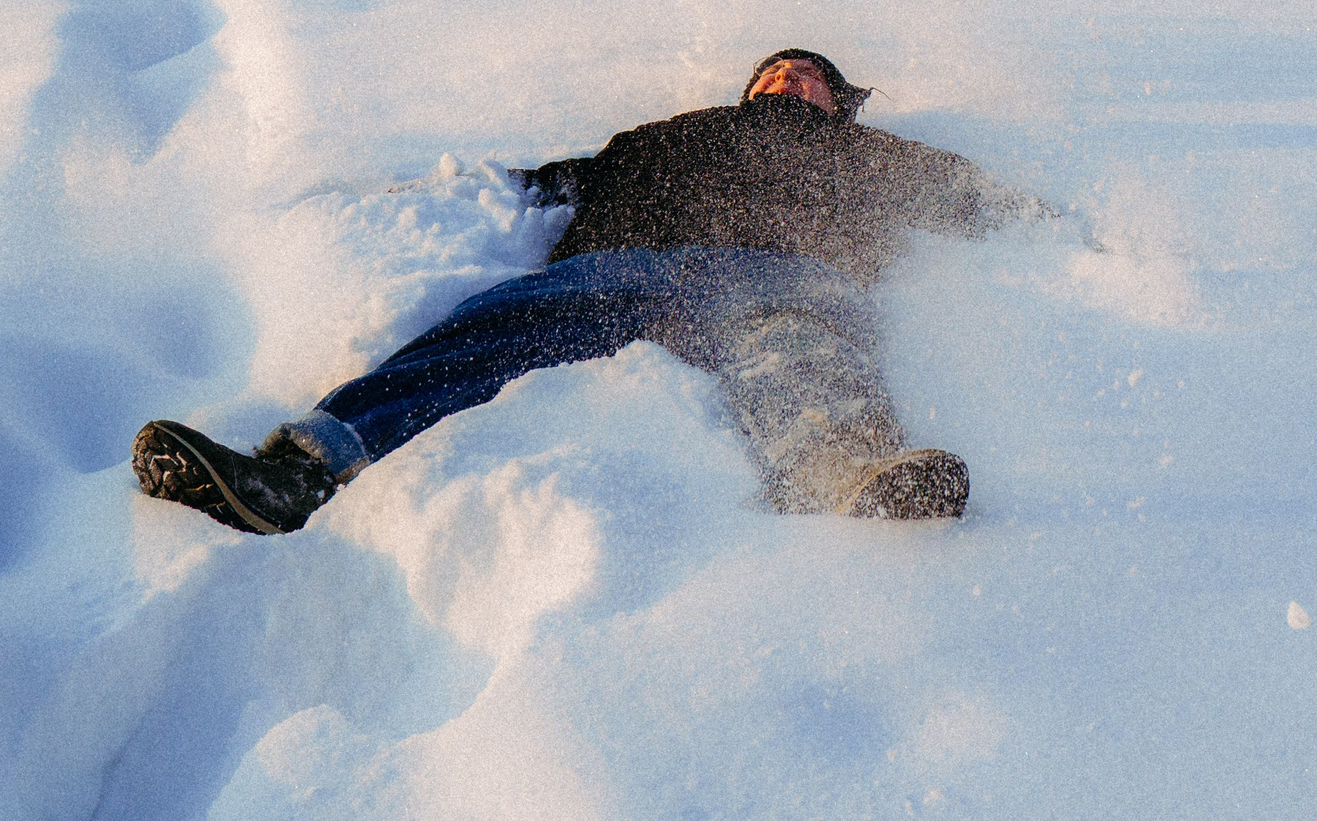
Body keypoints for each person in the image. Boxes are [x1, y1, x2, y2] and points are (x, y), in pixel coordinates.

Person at [134, 50, 1044, 534]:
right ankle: (296, 471)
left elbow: (979, 199)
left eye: (808, 75)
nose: (786, 78)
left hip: (784, 277)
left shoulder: (865, 154)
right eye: (773, 70)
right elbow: (532, 183)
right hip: (631, 265)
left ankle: (858, 476)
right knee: (487, 329)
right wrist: (392, 194)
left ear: (837, 102)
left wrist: (1107, 239)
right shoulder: (659, 135)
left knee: (804, 360)